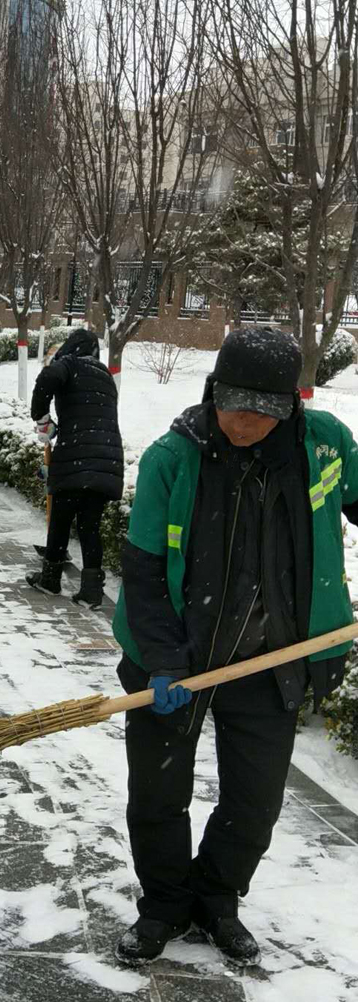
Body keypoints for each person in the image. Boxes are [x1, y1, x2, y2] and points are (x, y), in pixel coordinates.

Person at [112, 327, 358, 969]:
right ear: (213, 391)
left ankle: (217, 899)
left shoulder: (323, 444)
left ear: (290, 406)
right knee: (159, 794)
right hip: (179, 660)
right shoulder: (173, 458)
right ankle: (164, 904)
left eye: (265, 409)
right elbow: (141, 570)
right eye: (234, 403)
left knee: (255, 801)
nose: (245, 420)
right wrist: (163, 662)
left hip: (273, 660)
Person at [26, 329, 123, 607]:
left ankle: (50, 579)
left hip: (77, 454)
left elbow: (47, 378)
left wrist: (42, 418)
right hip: (107, 458)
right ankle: (92, 590)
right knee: (89, 525)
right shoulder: (105, 375)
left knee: (61, 519)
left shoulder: (70, 364)